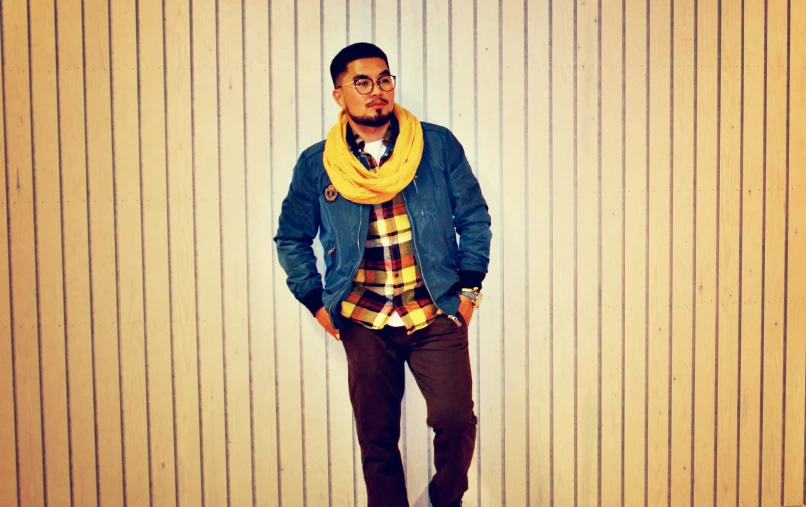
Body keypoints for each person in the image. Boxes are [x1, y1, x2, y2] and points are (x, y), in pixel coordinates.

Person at [274, 42, 492, 507]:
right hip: (362, 316)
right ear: (339, 95)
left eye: (385, 79)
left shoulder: (436, 146)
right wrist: (315, 302)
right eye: (363, 82)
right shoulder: (319, 165)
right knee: (377, 439)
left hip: (434, 310)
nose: (378, 91)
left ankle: (445, 498)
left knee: (455, 420)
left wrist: (469, 292)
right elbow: (291, 237)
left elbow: (473, 217)